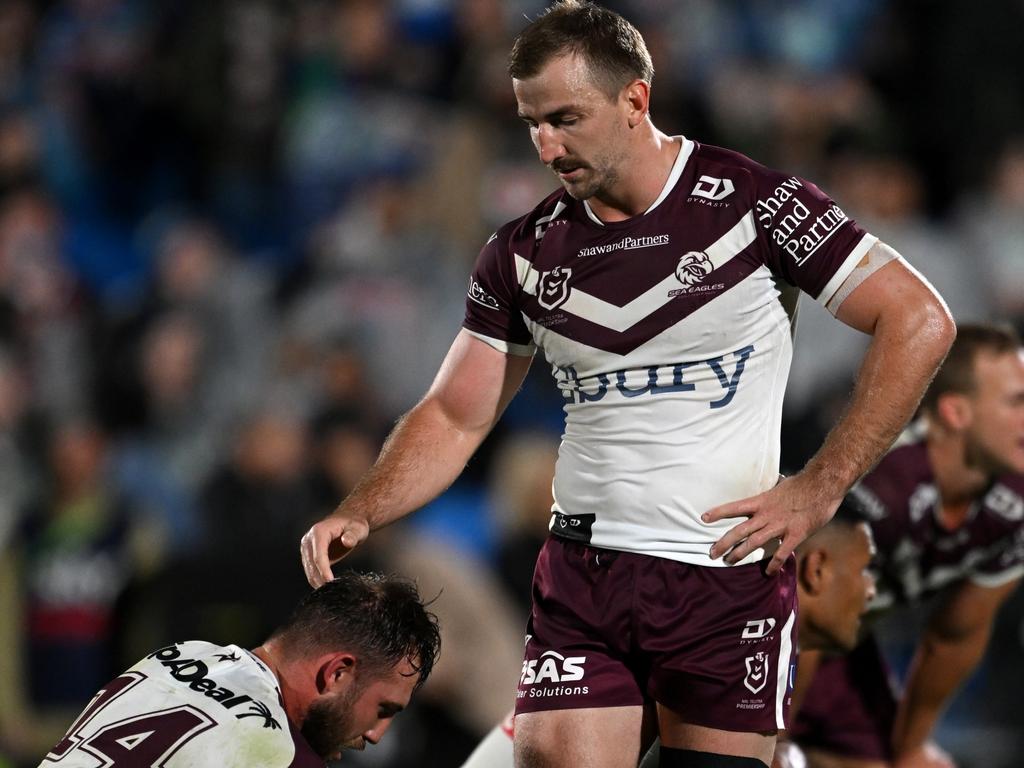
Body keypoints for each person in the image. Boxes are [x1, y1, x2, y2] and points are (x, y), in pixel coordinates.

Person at [300, 2, 954, 766]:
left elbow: (918, 320)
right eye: (531, 122)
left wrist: (821, 484)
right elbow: (455, 413)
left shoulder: (757, 204)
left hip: (724, 577)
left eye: (567, 118)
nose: (547, 145)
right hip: (584, 578)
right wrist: (364, 506)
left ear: (635, 100)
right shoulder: (521, 253)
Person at [461, 504, 879, 768]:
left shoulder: (769, 658)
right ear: (817, 569)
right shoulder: (703, 646)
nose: (872, 590)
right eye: (865, 571)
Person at [790, 323, 1024, 768]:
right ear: (956, 412)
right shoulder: (887, 479)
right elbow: (806, 606)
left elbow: (956, 635)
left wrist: (911, 747)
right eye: (1016, 401)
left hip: (837, 643)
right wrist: (772, 735)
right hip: (767, 631)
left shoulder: (1015, 502)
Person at [39, 570, 441, 767]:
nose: (376, 733)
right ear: (337, 673)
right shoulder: (274, 752)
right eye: (383, 709)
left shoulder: (180, 654)